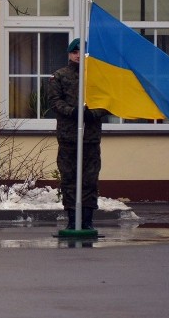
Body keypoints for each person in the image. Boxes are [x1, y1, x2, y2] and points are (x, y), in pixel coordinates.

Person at [46, 38, 107, 231]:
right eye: (75, 52)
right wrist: (72, 112)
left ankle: (88, 221)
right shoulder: (60, 76)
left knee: (89, 179)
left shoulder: (97, 78)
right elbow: (54, 102)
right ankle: (72, 220)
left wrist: (93, 113)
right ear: (70, 54)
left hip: (90, 138)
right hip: (68, 138)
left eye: (83, 52)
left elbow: (107, 102)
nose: (79, 55)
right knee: (69, 179)